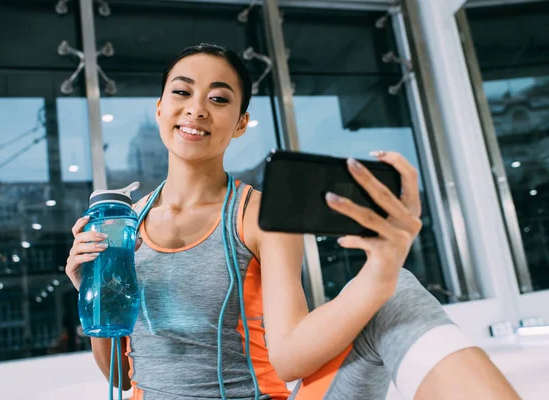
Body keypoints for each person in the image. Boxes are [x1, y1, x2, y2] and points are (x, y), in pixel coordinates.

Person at [65, 43, 521, 400]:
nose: (196, 108)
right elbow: (122, 377)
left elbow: (289, 358)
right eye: (181, 92)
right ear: (160, 108)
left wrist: (380, 273)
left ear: (240, 123)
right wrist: (89, 290)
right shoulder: (123, 222)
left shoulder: (258, 214)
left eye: (219, 98)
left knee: (395, 288)